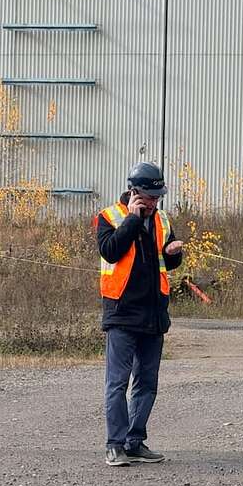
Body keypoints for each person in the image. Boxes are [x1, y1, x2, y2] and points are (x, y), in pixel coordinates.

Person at [96, 162, 184, 466]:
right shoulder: (109, 217)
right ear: (135, 192)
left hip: (154, 315)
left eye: (158, 197)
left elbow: (166, 262)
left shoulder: (162, 220)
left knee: (147, 383)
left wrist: (175, 254)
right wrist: (133, 219)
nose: (155, 202)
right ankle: (115, 445)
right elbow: (110, 251)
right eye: (150, 196)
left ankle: (135, 441)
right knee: (117, 383)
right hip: (121, 313)